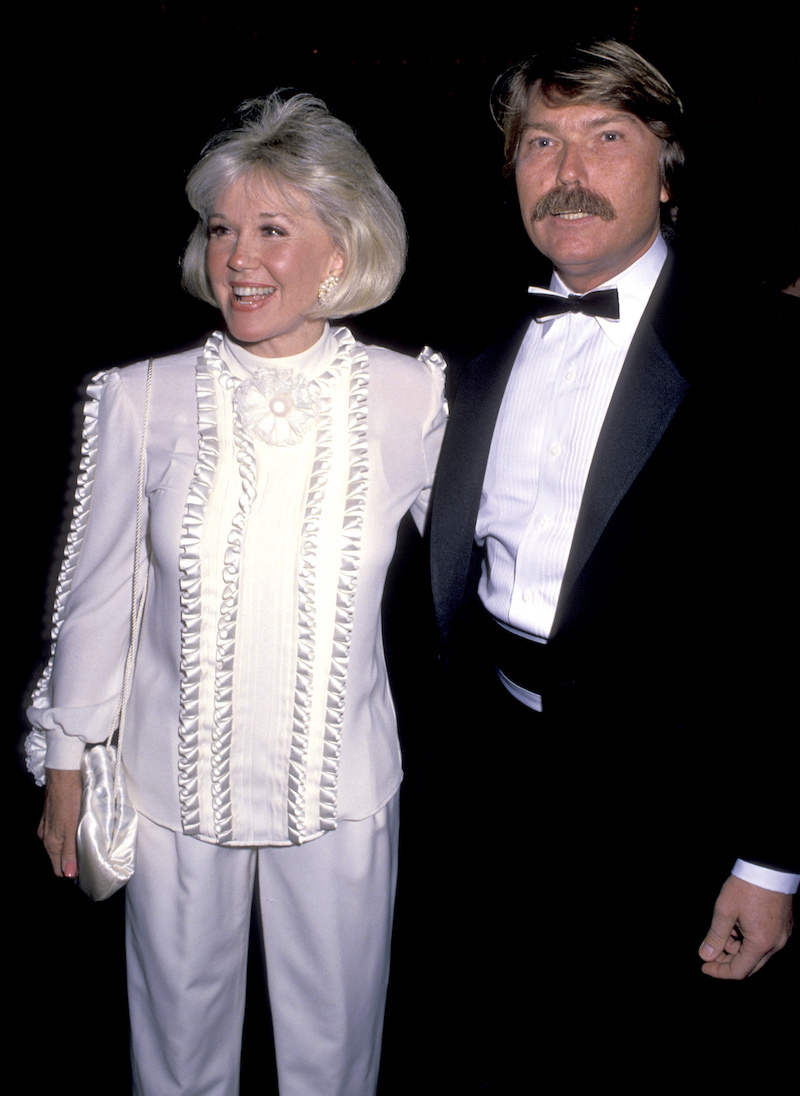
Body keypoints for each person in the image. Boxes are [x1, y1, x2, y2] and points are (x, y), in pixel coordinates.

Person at [27, 92, 446, 1096]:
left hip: (339, 786)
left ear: (338, 250)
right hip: (171, 787)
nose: (237, 256)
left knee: (335, 1053)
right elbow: (98, 597)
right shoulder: (143, 395)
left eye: (270, 228)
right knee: (174, 1054)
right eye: (221, 229)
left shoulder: (414, 397)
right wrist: (66, 764)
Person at [427, 38, 797, 1089]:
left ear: (666, 168)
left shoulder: (762, 352)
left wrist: (769, 854)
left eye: (605, 136)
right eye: (538, 141)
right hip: (490, 787)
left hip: (674, 814)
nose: (567, 170)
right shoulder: (466, 342)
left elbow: (797, 624)